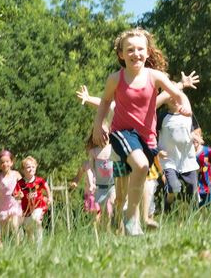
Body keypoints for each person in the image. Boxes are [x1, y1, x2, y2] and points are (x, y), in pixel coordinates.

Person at [92, 27, 191, 236]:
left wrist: (186, 106)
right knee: (141, 165)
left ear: (147, 53)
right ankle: (130, 218)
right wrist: (98, 124)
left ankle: (133, 217)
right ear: (121, 54)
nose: (135, 54)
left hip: (148, 139)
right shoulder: (115, 79)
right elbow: (104, 102)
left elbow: (177, 94)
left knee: (142, 173)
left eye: (139, 49)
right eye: (129, 50)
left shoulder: (155, 76)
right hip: (122, 133)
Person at [76, 70, 199, 233]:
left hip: (142, 147)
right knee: (121, 195)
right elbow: (102, 102)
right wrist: (87, 98)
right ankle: (118, 219)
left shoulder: (150, 102)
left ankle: (144, 218)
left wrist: (182, 85)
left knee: (146, 183)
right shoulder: (115, 105)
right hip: (120, 150)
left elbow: (168, 93)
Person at [158, 92, 200, 212]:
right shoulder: (162, 117)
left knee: (192, 192)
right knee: (173, 187)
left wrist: (196, 139)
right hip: (169, 160)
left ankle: (190, 217)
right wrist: (157, 150)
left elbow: (194, 130)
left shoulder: (188, 114)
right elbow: (152, 135)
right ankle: (167, 207)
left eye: (176, 95)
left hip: (188, 160)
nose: (174, 98)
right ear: (164, 100)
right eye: (170, 96)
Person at [13, 156, 51, 243]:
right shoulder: (20, 183)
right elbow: (15, 195)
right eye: (28, 167)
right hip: (26, 210)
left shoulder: (39, 180)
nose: (31, 169)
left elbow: (47, 187)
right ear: (23, 170)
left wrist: (50, 197)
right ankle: (32, 248)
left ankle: (39, 246)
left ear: (36, 168)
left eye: (33, 167)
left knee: (36, 219)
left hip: (39, 206)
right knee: (28, 230)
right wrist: (19, 195)